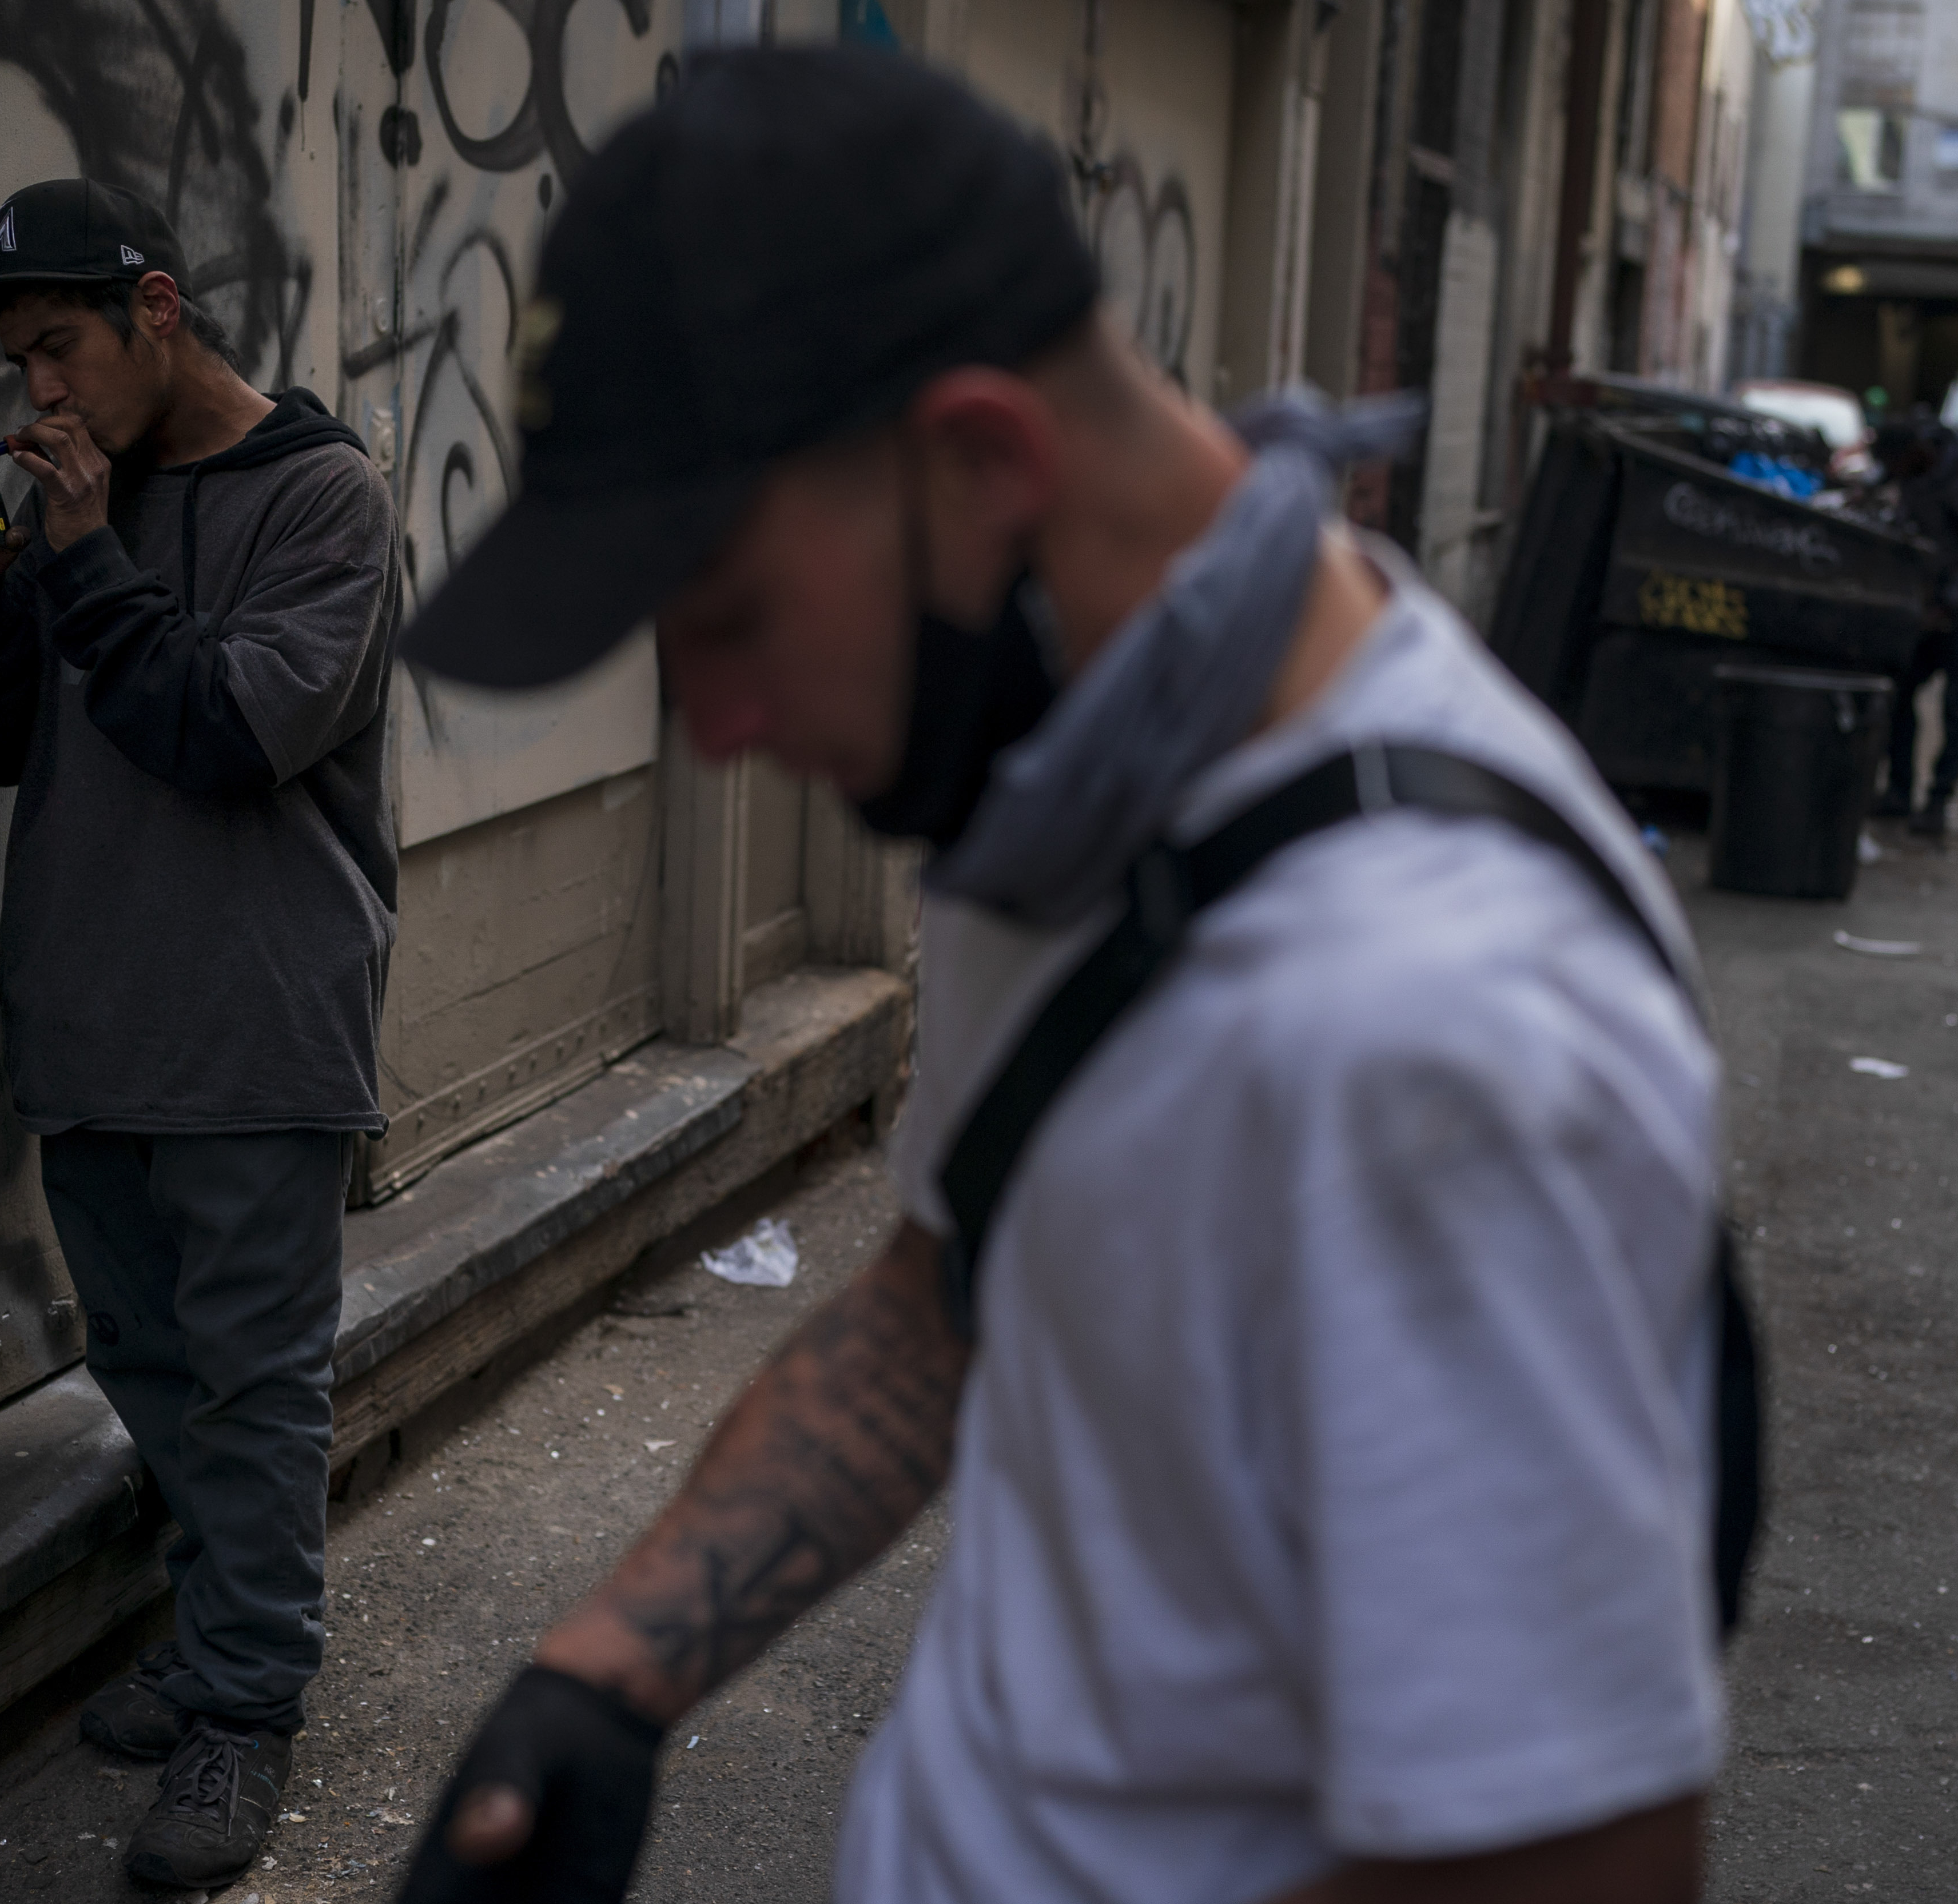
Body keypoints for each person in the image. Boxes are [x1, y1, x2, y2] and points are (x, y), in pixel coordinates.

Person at [397, 49, 1728, 1904]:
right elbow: (960, 1291)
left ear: (983, 462)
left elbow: (1565, 1861)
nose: (710, 720)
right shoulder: (1084, 777)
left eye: (728, 614)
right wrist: (609, 1678)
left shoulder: (1432, 1040)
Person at [0, 178, 400, 1890]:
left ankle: (248, 1706)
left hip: (256, 1022)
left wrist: (86, 551)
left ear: (159, 313)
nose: (37, 391)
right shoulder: (70, 510)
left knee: (255, 1386)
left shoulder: (323, 501)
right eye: (19, 361)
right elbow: (3, 744)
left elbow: (217, 726)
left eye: (60, 350)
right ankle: (221, 1641)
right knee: (152, 1367)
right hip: (94, 1010)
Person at [1872, 414, 1958, 836]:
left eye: (1895, 465)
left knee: (1957, 711)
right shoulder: (1914, 473)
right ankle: (1898, 791)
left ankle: (1938, 802)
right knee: (1899, 694)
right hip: (1927, 611)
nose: (1893, 474)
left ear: (1915, 455)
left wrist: (1949, 601)